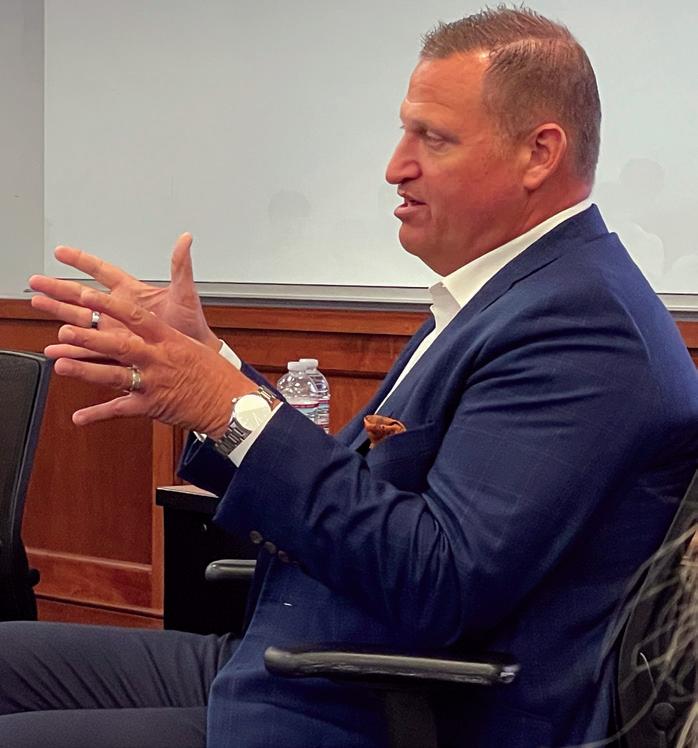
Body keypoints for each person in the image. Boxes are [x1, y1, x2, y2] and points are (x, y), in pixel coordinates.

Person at [2, 6, 697, 747]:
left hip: (378, 713)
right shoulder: (508, 297)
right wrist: (215, 364)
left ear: (539, 153)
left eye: (433, 137)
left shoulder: (583, 327)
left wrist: (224, 404)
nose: (396, 166)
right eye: (404, 132)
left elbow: (438, 581)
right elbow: (361, 494)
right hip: (300, 669)